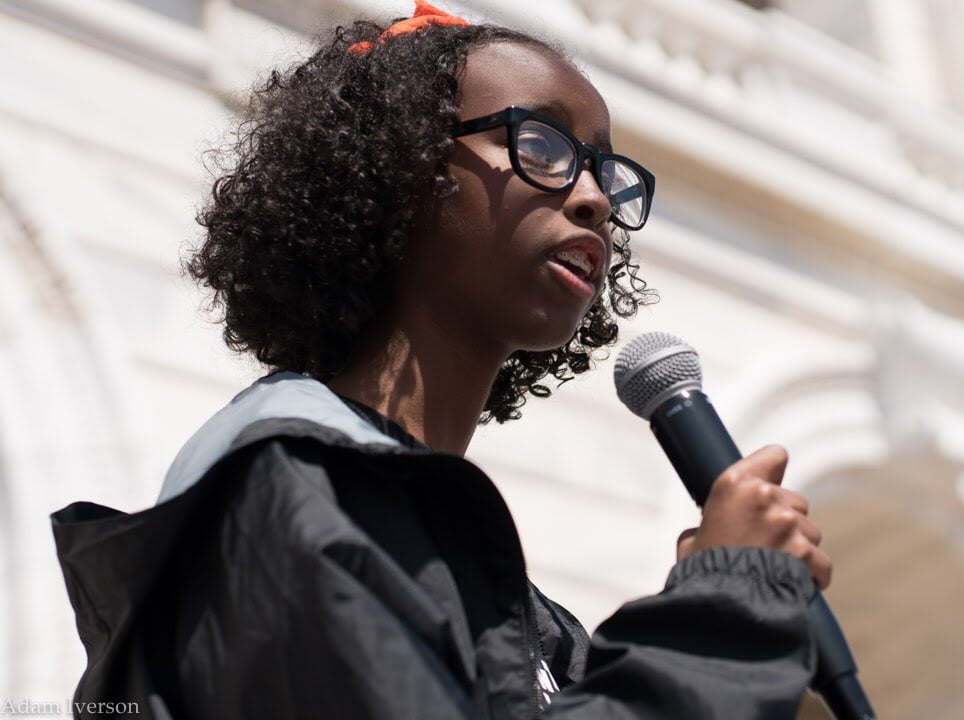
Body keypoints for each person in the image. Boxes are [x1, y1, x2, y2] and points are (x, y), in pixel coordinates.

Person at [52, 2, 832, 718]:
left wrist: (710, 595)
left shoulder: (504, 599)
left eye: (602, 169)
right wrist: (722, 611)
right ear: (398, 172)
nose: (593, 197)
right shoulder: (292, 479)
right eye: (541, 144)